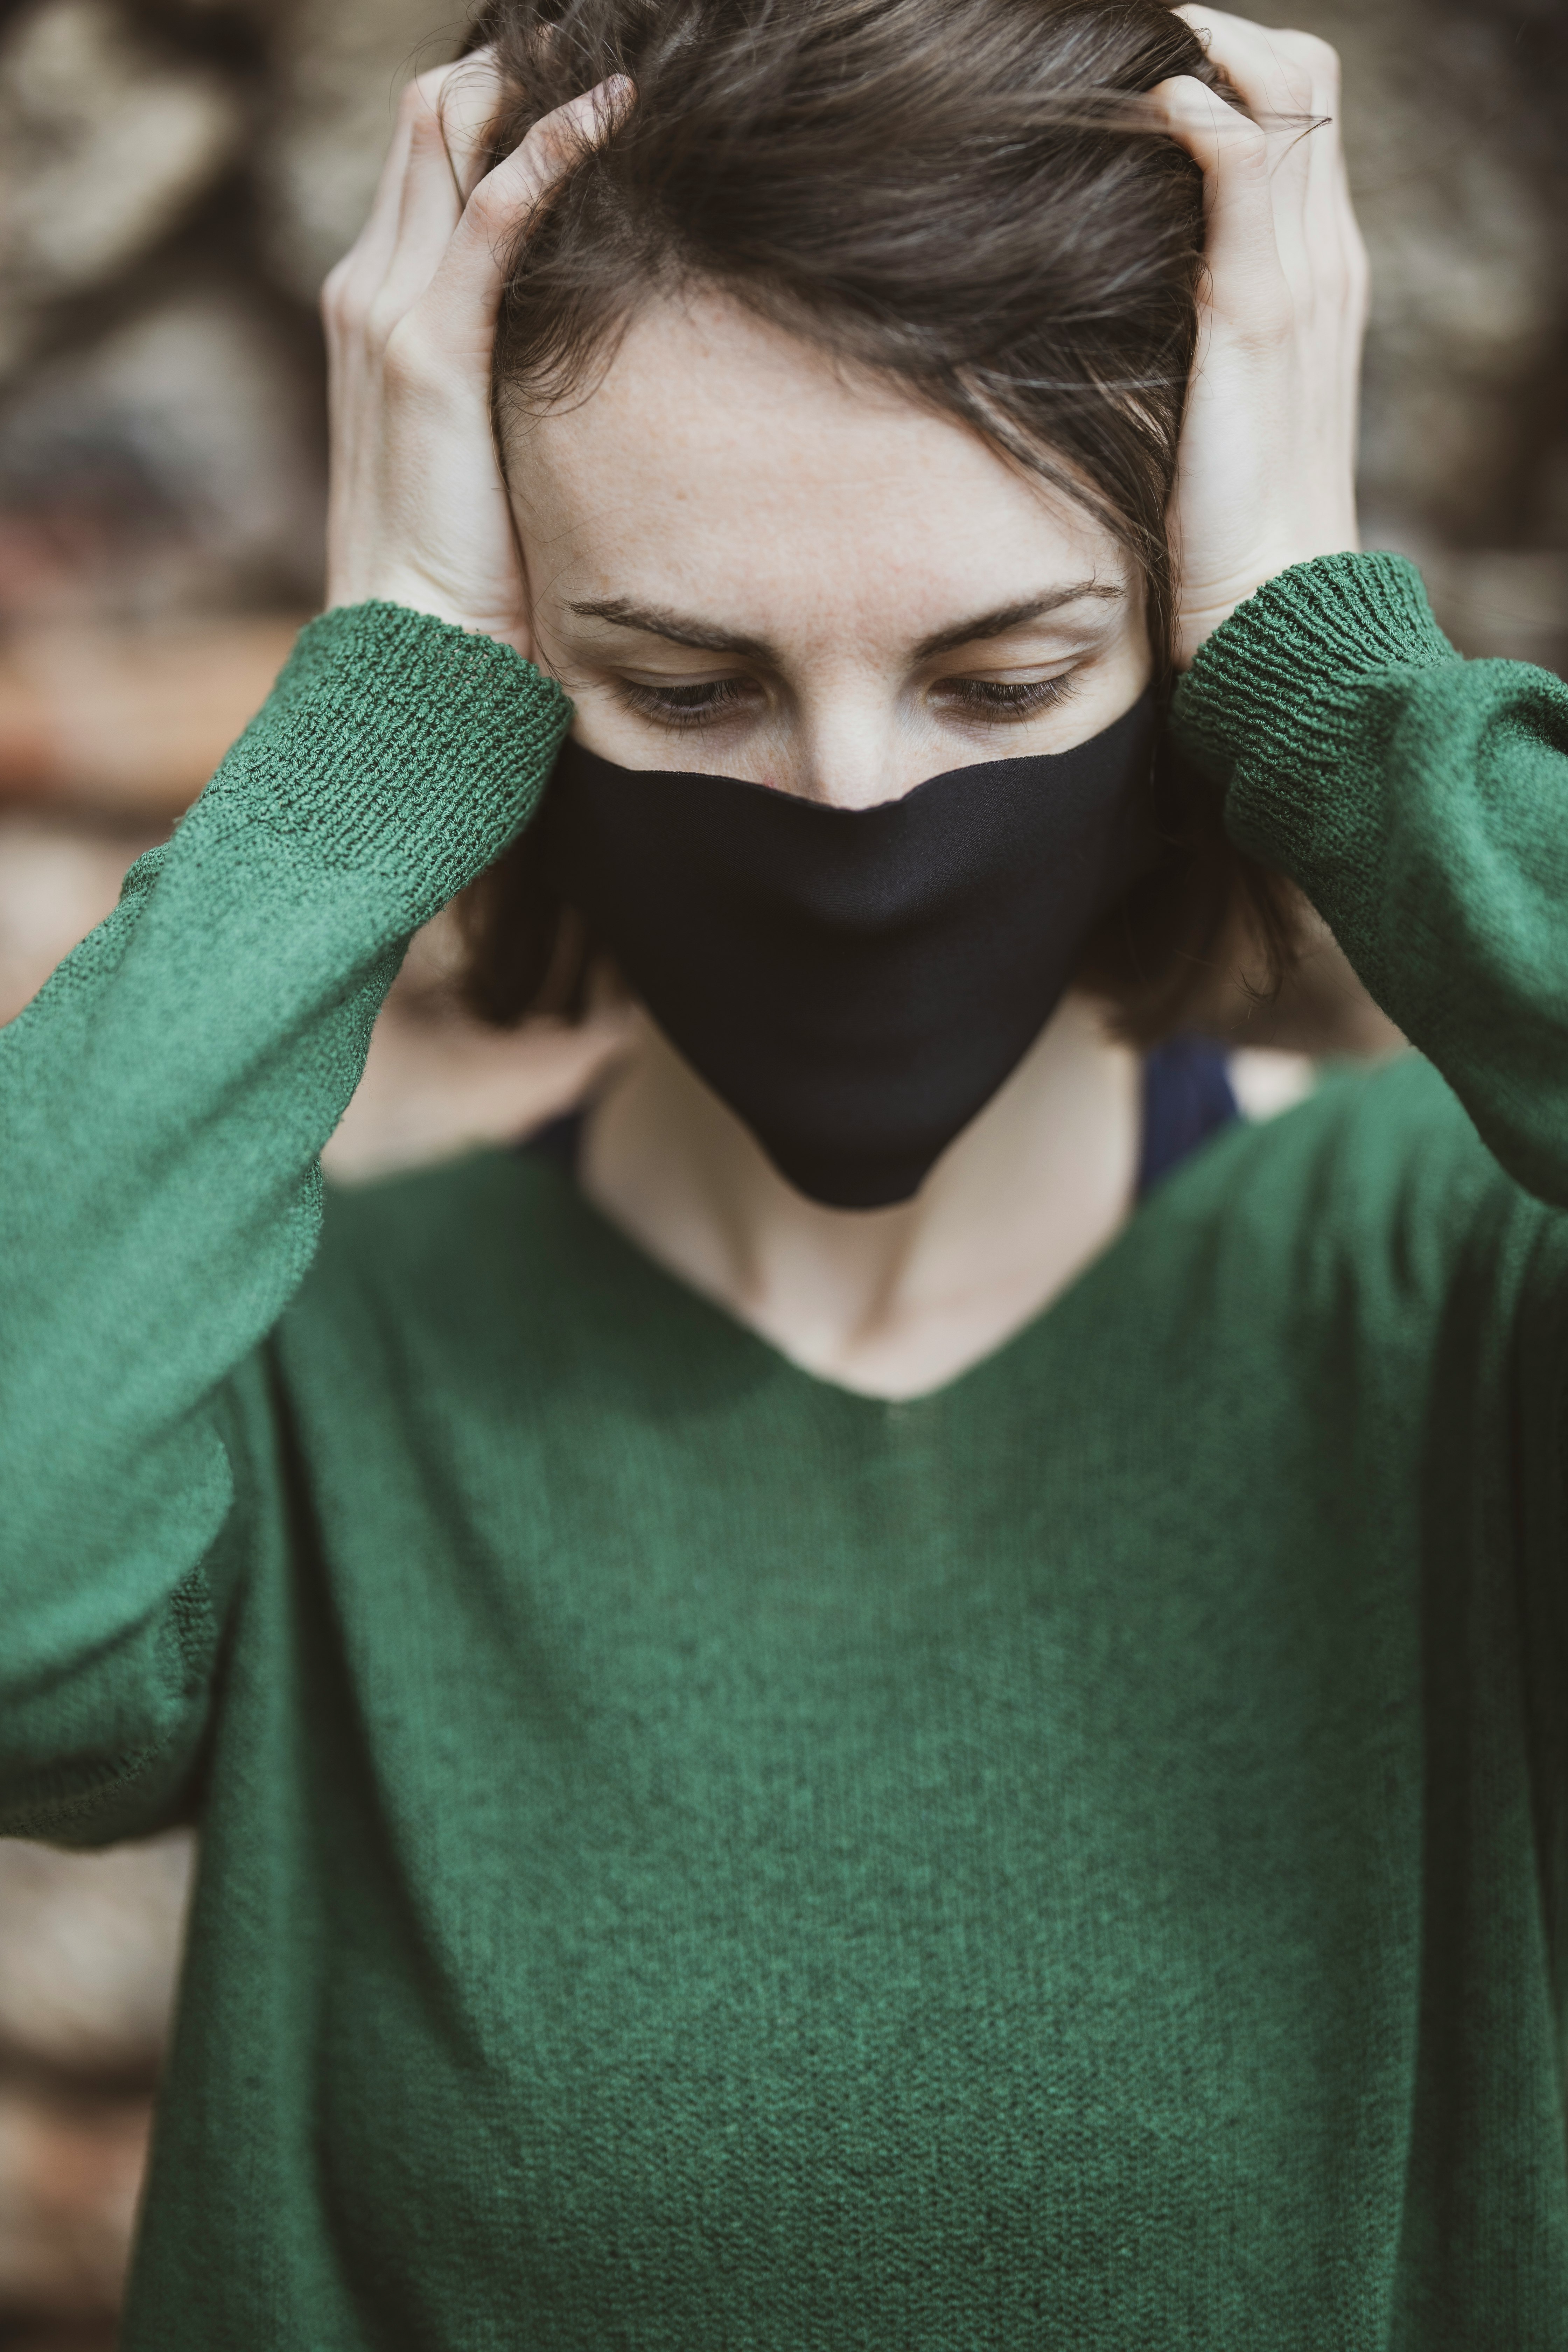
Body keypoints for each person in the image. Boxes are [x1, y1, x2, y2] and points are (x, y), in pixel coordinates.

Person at [1, 0, 1564, 2339]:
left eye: (1009, 678)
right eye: (689, 685)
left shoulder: (1452, 1305)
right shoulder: (315, 1374)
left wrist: (1326, 680)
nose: (852, 807)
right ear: (532, 676)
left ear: (1171, 648)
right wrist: (377, 697)